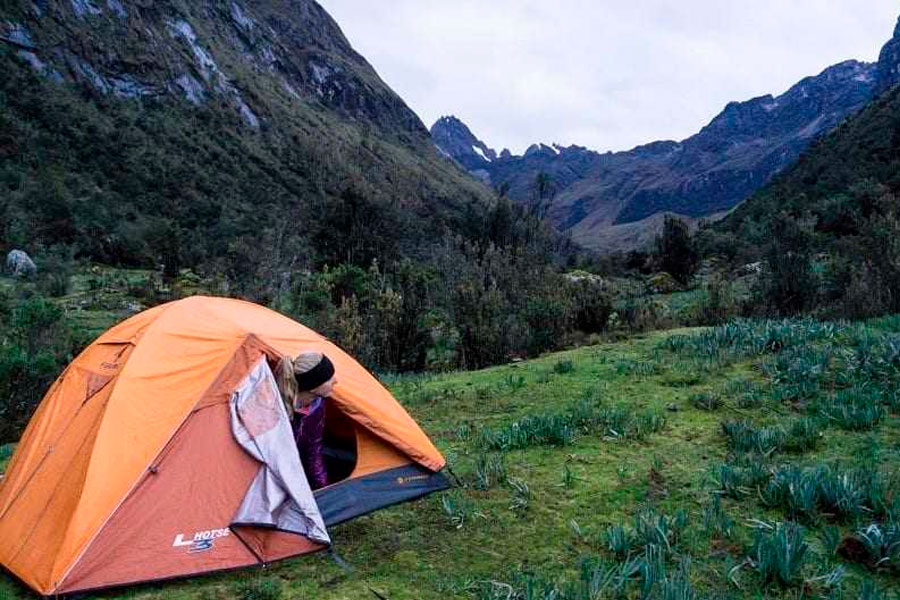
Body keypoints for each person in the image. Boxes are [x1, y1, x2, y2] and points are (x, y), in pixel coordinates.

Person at [275, 351, 338, 490]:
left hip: (297, 468)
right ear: (313, 385)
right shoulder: (275, 408)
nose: (336, 380)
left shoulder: (317, 405)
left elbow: (314, 451)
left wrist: (323, 488)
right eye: (329, 378)